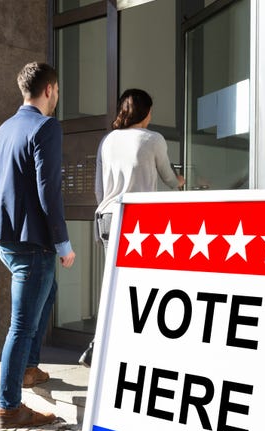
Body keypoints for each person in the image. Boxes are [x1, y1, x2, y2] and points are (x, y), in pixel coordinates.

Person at [0, 62, 76, 428]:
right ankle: (9, 406)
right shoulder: (46, 127)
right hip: (33, 242)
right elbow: (48, 190)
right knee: (21, 325)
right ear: (50, 89)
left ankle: (28, 367)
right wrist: (63, 243)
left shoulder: (1, 131)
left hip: (5, 239)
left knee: (48, 291)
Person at [81, 88, 185, 367]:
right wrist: (182, 180)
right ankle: (137, 350)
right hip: (137, 221)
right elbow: (169, 178)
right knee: (142, 289)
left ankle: (98, 346)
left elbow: (99, 188)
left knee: (114, 286)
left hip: (106, 218)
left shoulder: (108, 140)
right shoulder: (153, 139)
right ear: (146, 112)